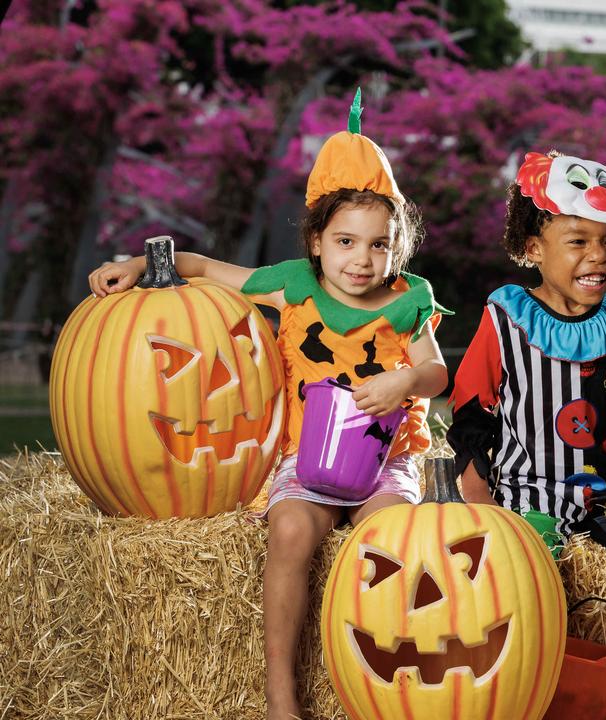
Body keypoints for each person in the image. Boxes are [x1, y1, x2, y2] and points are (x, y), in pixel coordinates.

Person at [89, 91, 449, 720]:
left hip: (384, 460)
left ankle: (376, 682)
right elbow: (203, 266)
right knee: (287, 530)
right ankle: (281, 694)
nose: (361, 260)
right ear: (316, 240)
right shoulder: (291, 285)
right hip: (306, 458)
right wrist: (134, 263)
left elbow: (438, 373)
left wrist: (403, 383)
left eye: (378, 245)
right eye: (345, 242)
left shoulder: (410, 297)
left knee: (388, 537)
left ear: (398, 247)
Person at [445, 151, 606, 716]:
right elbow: (469, 420)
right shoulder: (505, 317)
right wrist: (483, 507)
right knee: (522, 581)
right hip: (524, 491)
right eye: (578, 241)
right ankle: (519, 698)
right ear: (534, 249)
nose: (599, 257)